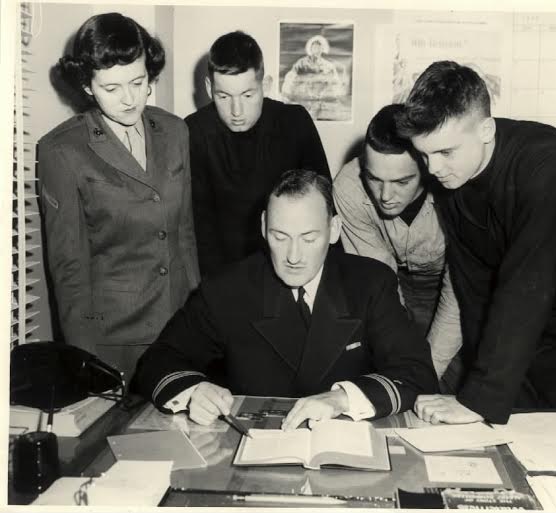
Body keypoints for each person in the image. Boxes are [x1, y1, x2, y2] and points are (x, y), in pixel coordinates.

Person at [398, 61, 556, 425]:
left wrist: (480, 399)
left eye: (445, 152)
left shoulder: (547, 161)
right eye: (424, 155)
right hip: (527, 330)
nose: (432, 169)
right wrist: (478, 388)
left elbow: (528, 283)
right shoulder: (453, 175)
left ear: (485, 129)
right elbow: (474, 289)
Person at [133, 170, 438, 429]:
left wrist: (342, 398)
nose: (293, 256)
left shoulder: (370, 283)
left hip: (346, 446)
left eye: (308, 238)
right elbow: (158, 360)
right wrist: (193, 391)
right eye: (280, 236)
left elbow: (417, 374)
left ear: (334, 230)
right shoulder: (227, 289)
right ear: (263, 227)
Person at [38, 13, 200, 385]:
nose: (129, 99)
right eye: (111, 88)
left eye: (138, 82)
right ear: (87, 85)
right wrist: (86, 363)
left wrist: (198, 320)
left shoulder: (176, 131)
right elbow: (69, 270)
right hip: (115, 340)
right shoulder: (62, 151)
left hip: (180, 329)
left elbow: (184, 235)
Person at [333, 104, 461, 384]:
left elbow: (460, 292)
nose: (386, 195)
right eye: (374, 179)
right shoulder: (347, 187)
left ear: (427, 169)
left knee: (452, 382)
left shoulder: (455, 186)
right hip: (386, 282)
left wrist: (425, 376)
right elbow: (380, 282)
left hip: (452, 286)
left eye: (402, 182)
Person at [186, 30, 331, 278]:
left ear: (266, 85)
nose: (236, 110)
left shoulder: (295, 123)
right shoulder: (194, 131)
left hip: (292, 265)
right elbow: (200, 229)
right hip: (223, 274)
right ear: (209, 87)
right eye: (223, 96)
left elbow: (324, 208)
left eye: (248, 95)